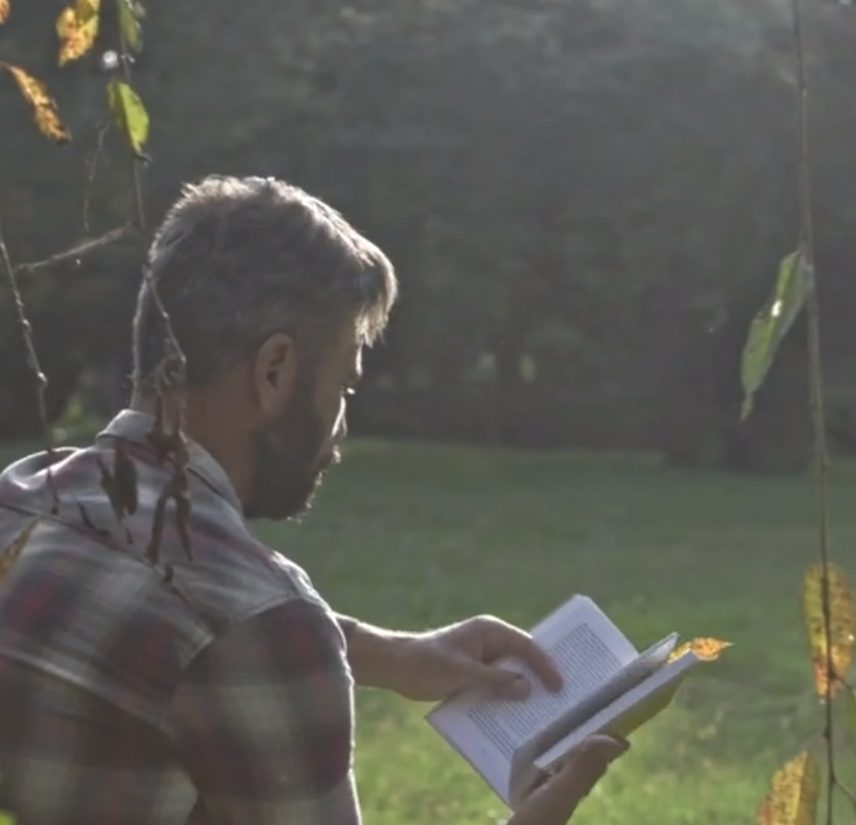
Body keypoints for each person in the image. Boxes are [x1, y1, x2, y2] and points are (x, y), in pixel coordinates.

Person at [0, 176, 626, 824]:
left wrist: (391, 653)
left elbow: (165, 628)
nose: (340, 427)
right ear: (274, 372)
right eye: (345, 387)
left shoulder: (23, 501)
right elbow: (237, 632)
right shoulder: (260, 626)